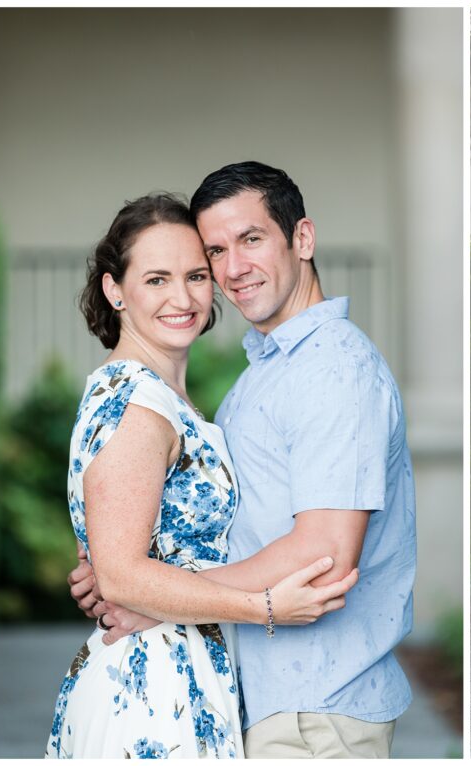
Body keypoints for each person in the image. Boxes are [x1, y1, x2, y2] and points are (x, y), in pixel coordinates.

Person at [70, 162, 417, 758]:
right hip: (247, 698)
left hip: (316, 708)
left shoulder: (331, 368)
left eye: (251, 239)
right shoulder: (257, 377)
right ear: (115, 290)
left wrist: (151, 597)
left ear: (301, 239)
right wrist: (124, 573)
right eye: (216, 252)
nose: (232, 269)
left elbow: (324, 555)